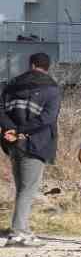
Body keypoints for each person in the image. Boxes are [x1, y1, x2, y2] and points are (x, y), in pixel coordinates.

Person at [2, 52, 62, 247]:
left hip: (11, 143)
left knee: (22, 188)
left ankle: (23, 229)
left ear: (31, 64)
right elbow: (47, 118)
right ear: (47, 66)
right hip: (35, 143)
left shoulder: (11, 84)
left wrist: (11, 130)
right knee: (28, 189)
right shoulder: (51, 89)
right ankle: (18, 234)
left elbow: (1, 110)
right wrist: (20, 131)